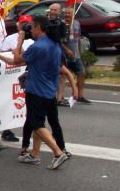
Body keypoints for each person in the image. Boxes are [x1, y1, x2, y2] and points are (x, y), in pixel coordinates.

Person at [5, 14, 71, 169]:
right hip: (50, 90)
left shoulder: (38, 47)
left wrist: (20, 41)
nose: (31, 30)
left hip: (37, 90)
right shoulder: (54, 44)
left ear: (38, 28)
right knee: (39, 122)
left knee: (36, 123)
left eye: (32, 27)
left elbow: (17, 60)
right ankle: (35, 154)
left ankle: (57, 152)